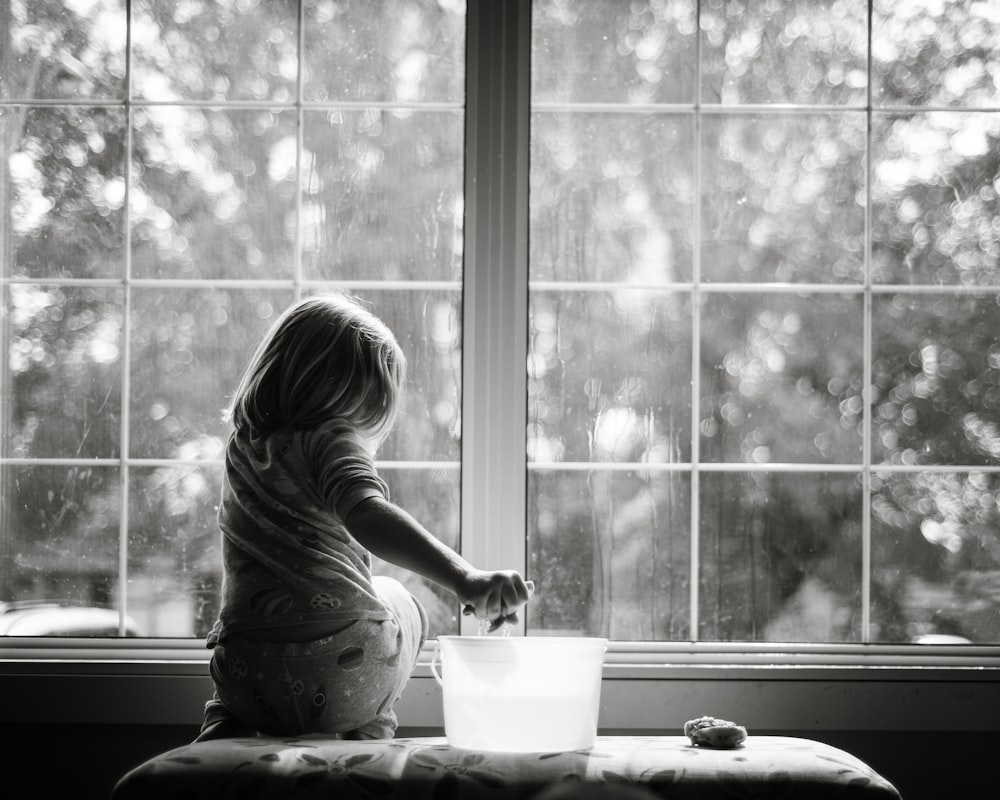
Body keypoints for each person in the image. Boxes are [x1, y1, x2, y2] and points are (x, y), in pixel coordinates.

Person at [196, 293, 533, 741]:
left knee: (242, 633)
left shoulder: (243, 446)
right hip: (343, 671)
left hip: (246, 673)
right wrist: (465, 578)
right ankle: (371, 728)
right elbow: (368, 514)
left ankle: (224, 722)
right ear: (352, 393)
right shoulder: (331, 436)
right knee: (398, 596)